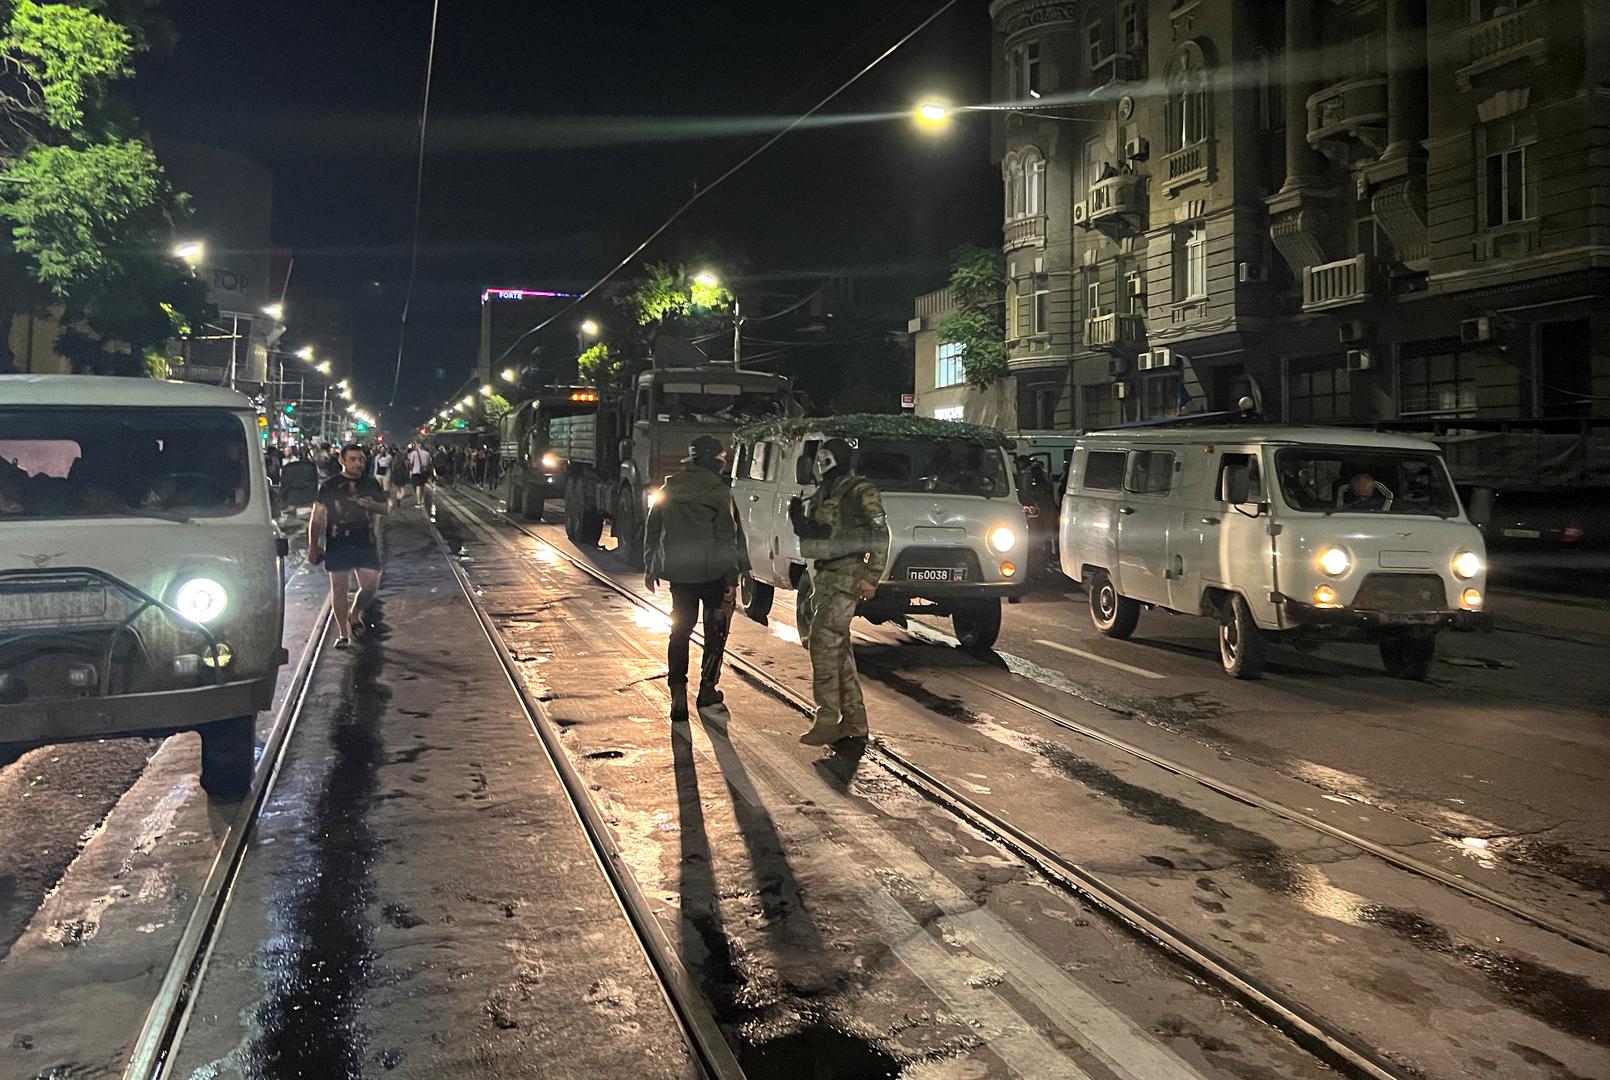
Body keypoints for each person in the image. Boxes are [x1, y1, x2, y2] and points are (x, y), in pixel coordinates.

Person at [789, 438, 890, 746]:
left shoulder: (860, 491)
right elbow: (824, 533)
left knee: (822, 642)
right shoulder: (826, 492)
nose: (819, 465)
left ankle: (827, 720)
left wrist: (872, 576)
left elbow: (880, 533)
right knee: (838, 650)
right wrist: (800, 522)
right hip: (826, 575)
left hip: (847, 575)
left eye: (823, 459)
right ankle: (855, 721)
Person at [643, 435, 745, 724]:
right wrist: (732, 578)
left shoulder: (669, 488)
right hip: (713, 574)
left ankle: (677, 692)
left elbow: (653, 529)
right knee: (715, 632)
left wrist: (651, 566)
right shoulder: (719, 493)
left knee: (680, 630)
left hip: (679, 575)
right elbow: (728, 540)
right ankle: (707, 689)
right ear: (714, 462)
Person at [309, 444, 389, 648]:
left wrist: (371, 505)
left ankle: (355, 613)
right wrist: (313, 545)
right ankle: (344, 633)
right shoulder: (330, 485)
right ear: (342, 461)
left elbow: (385, 508)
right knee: (339, 588)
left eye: (361, 459)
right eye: (353, 459)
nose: (358, 463)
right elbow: (316, 518)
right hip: (338, 541)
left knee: (371, 584)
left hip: (364, 539)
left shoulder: (370, 483)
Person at [406, 442, 433, 508]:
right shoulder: (427, 453)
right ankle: (423, 501)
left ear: (417, 446)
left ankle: (419, 502)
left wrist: (411, 470)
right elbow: (429, 463)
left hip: (416, 472)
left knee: (418, 487)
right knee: (422, 487)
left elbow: (411, 463)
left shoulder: (414, 453)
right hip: (424, 472)